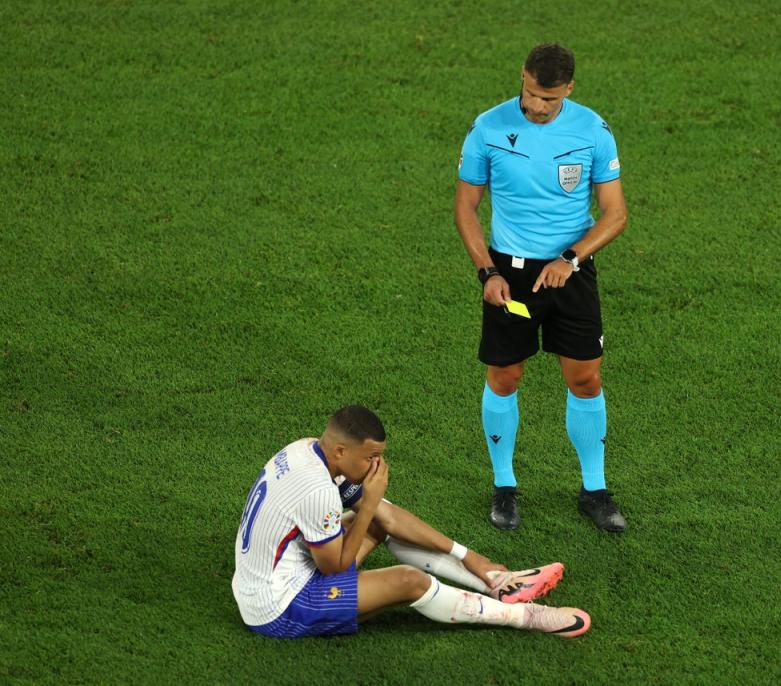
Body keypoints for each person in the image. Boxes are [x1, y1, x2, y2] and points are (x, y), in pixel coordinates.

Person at [454, 43, 628, 532]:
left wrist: (571, 259)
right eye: (531, 94)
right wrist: (487, 272)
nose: (536, 107)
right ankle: (504, 487)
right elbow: (466, 207)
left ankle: (594, 491)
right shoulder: (487, 128)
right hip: (510, 274)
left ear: (568, 89)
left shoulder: (593, 131)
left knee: (585, 379)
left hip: (570, 273)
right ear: (523, 77)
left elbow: (615, 214)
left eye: (549, 100)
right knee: (505, 378)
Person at [231, 405, 590, 638]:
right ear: (341, 451)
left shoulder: (310, 449)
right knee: (409, 581)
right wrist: (368, 504)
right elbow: (335, 568)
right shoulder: (317, 490)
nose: (376, 467)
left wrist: (470, 556)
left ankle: (496, 581)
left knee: (377, 516)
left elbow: (389, 517)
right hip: (279, 606)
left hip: (268, 577)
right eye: (371, 457)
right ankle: (527, 617)